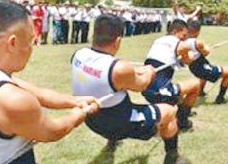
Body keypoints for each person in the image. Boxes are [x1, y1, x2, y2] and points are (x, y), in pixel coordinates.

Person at [0, 0, 99, 163]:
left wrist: (75, 101)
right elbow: (52, 131)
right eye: (29, 41)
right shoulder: (12, 99)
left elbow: (40, 94)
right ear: (13, 43)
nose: (31, 48)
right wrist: (79, 114)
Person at [72, 14, 189, 164]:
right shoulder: (118, 68)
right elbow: (141, 84)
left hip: (90, 119)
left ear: (94, 34)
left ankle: (112, 142)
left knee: (112, 101)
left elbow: (113, 75)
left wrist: (140, 70)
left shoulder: (79, 54)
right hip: (118, 124)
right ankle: (173, 157)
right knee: (169, 111)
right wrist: (149, 72)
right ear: (118, 40)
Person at [143, 19, 201, 130]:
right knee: (196, 84)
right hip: (160, 92)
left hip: (146, 90)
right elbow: (188, 61)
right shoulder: (180, 44)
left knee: (177, 90)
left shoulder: (158, 40)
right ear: (176, 31)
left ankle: (179, 111)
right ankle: (183, 121)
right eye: (184, 34)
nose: (185, 38)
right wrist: (194, 55)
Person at [186, 20, 228, 103]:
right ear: (197, 31)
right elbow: (206, 52)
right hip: (199, 66)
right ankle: (220, 98)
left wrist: (206, 47)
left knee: (203, 75)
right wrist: (207, 48)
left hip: (194, 65)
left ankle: (200, 91)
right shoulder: (197, 42)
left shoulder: (183, 40)